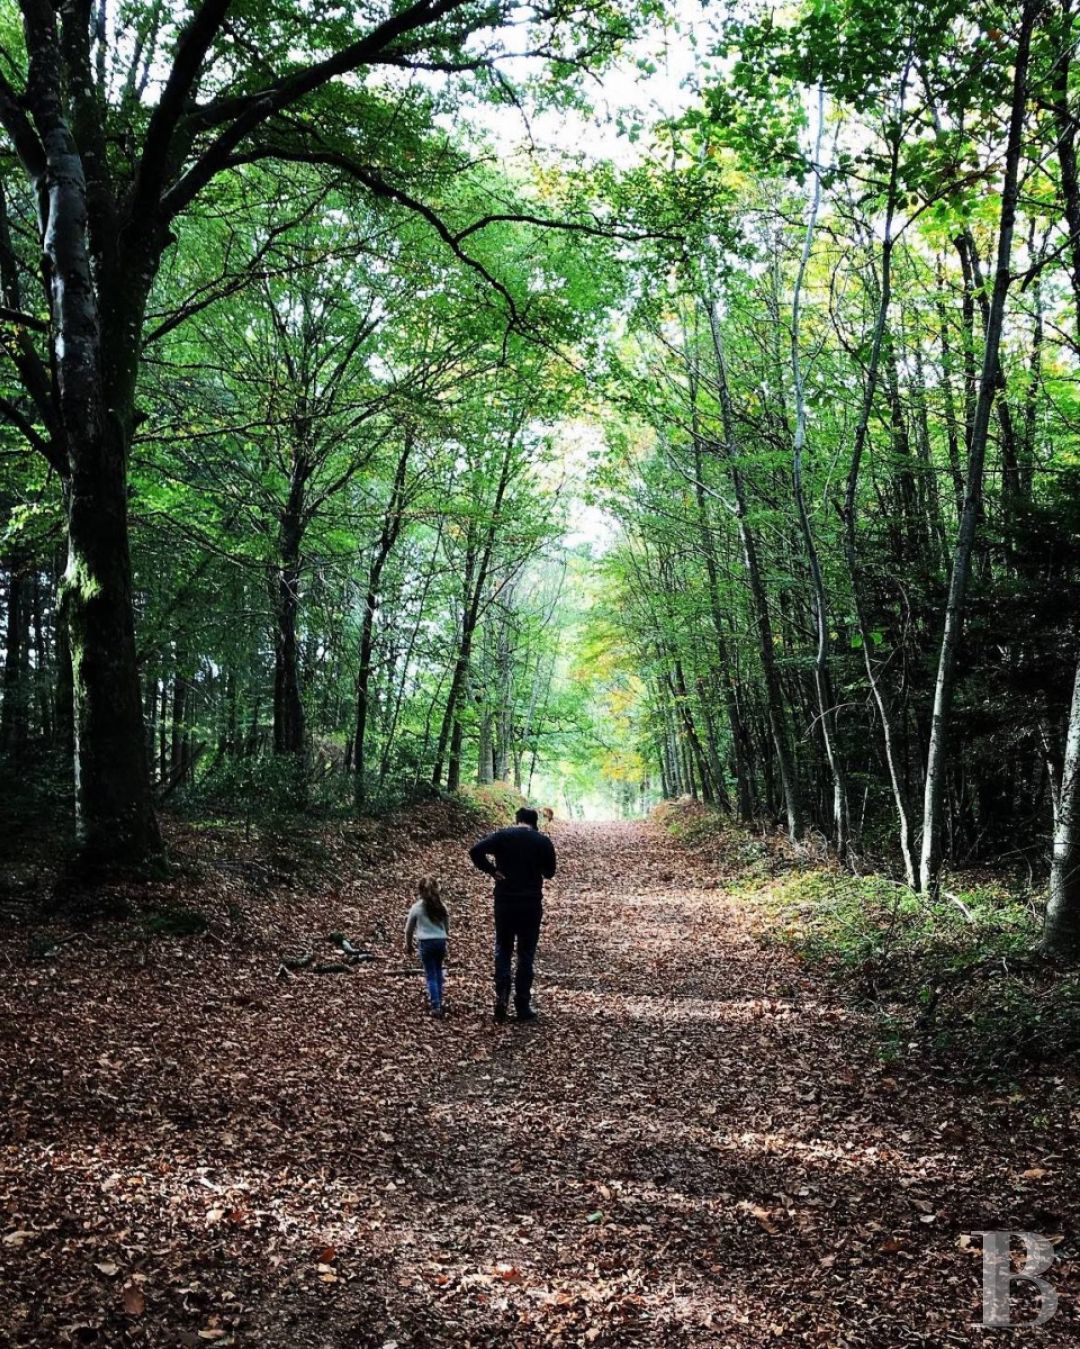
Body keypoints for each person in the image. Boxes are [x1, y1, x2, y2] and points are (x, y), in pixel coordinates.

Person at [469, 806, 557, 1023]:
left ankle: (502, 995)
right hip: (530, 903)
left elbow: (475, 851)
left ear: (517, 820)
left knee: (503, 948)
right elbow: (550, 873)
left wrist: (491, 870)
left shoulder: (502, 836)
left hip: (505, 902)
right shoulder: (542, 841)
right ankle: (522, 1005)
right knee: (526, 954)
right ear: (534, 822)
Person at [404, 877, 450, 1018]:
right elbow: (446, 926)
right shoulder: (442, 907)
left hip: (426, 943)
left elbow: (408, 930)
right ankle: (439, 1000)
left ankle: (435, 1005)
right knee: (438, 970)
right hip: (440, 941)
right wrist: (445, 939)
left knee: (430, 974)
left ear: (420, 891)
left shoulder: (416, 908)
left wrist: (408, 945)